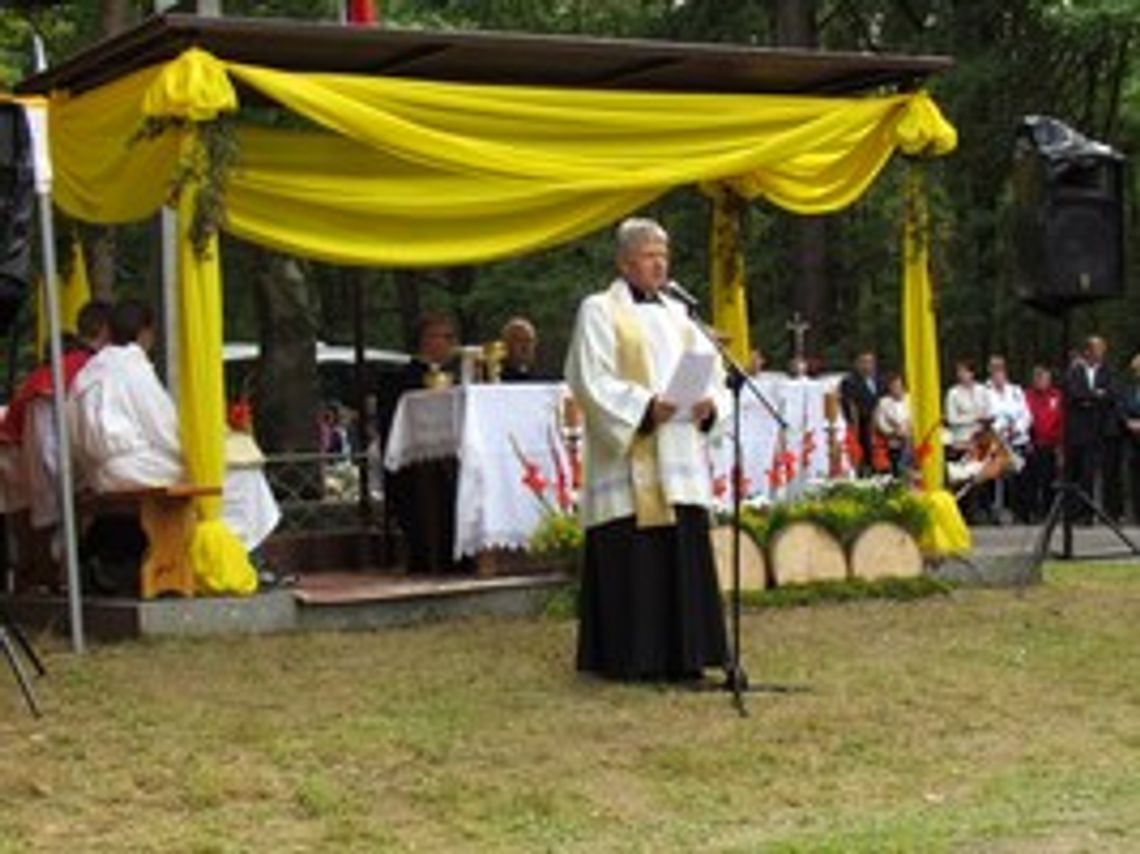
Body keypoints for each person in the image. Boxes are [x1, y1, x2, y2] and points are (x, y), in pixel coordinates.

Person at [564, 216, 728, 682]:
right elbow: (589, 379)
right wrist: (642, 408)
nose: (660, 264)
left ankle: (687, 654)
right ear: (624, 261)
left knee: (682, 553)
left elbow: (713, 373)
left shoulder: (682, 315)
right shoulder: (598, 309)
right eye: (650, 255)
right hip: (634, 450)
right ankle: (632, 657)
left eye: (664, 256)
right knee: (635, 557)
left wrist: (709, 405)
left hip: (679, 455)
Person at [1064, 336, 1120, 521]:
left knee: (1103, 472)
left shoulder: (1108, 371)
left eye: (1102, 349)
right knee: (1079, 472)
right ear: (1088, 351)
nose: (1100, 353)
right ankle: (1080, 514)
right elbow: (1074, 394)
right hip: (1079, 430)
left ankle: (1108, 512)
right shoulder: (1075, 371)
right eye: (1097, 349)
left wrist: (1090, 398)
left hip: (1101, 429)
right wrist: (1096, 395)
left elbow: (1111, 395)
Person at [985, 355, 1032, 522]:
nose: (998, 373)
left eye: (1001, 369)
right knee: (994, 478)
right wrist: (1000, 429)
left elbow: (1026, 414)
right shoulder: (985, 392)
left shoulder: (1016, 391)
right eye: (994, 369)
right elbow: (987, 416)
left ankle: (1019, 511)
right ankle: (994, 510)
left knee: (1019, 477)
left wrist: (1017, 429)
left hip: (1017, 439)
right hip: (995, 440)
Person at [1024, 365, 1064, 522]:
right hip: (1032, 442)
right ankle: (1031, 511)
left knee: (1049, 478)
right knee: (1031, 479)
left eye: (1046, 379)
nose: (1042, 382)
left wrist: (1060, 443)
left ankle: (1049, 512)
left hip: (1051, 443)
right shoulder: (1027, 396)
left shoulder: (1057, 395)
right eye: (1039, 378)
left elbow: (1061, 419)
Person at [838, 351, 881, 475]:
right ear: (857, 364)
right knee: (862, 455)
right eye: (864, 362)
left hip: (881, 425)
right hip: (861, 425)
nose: (867, 365)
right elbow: (849, 405)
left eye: (870, 362)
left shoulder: (880, 380)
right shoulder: (849, 382)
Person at [872, 372, 911, 477]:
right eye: (893, 386)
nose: (896, 389)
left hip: (910, 439)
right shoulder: (884, 402)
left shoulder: (910, 400)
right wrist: (893, 432)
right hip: (892, 440)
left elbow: (914, 418)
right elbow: (881, 422)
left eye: (898, 386)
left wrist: (906, 428)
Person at [500, 316, 550, 382]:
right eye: (518, 340)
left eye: (529, 340)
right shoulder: (493, 378)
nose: (525, 346)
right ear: (506, 344)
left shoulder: (545, 381)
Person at [1124, 352, 1140, 524]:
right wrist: (1128, 422)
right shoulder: (1129, 389)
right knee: (1135, 478)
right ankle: (1137, 514)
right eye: (1136, 370)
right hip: (1133, 440)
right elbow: (1122, 408)